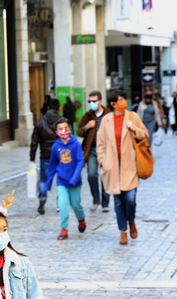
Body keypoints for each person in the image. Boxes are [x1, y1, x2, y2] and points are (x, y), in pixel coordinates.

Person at [96, 90, 149, 245]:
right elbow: (100, 143)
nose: (122, 102)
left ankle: (131, 220)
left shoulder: (133, 116)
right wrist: (103, 160)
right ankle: (123, 231)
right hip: (112, 167)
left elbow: (144, 135)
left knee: (130, 199)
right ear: (112, 103)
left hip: (130, 166)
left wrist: (133, 128)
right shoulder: (106, 120)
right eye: (119, 100)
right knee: (118, 202)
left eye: (123, 99)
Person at [46, 117, 86, 240]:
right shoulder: (55, 146)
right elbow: (52, 165)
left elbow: (80, 161)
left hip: (74, 182)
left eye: (65, 128)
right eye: (60, 129)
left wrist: (74, 178)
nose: (63, 130)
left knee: (76, 204)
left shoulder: (75, 144)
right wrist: (48, 182)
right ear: (57, 131)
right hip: (62, 181)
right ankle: (64, 229)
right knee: (62, 204)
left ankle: (81, 219)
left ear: (69, 129)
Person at [76, 90, 110, 212]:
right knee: (91, 175)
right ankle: (96, 199)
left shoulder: (108, 114)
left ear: (100, 101)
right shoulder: (88, 115)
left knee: (105, 176)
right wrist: (87, 126)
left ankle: (105, 203)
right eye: (89, 101)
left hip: (106, 150)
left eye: (94, 101)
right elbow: (78, 132)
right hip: (91, 150)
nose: (91, 103)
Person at [29, 98, 61, 214]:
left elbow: (34, 141)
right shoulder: (62, 122)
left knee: (43, 180)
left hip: (45, 155)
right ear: (59, 108)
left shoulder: (40, 122)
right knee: (61, 180)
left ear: (47, 108)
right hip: (60, 155)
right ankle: (60, 203)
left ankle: (42, 197)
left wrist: (32, 158)